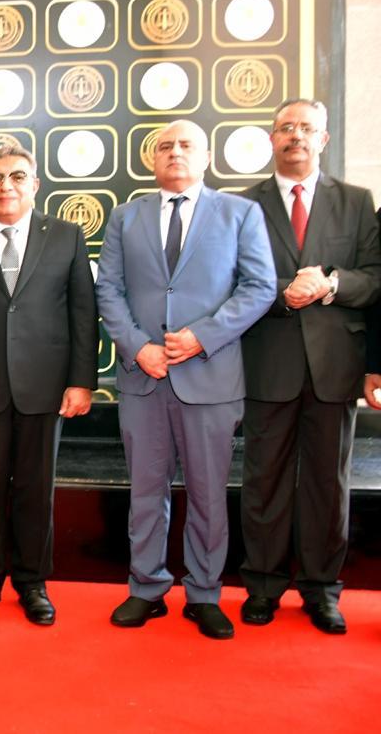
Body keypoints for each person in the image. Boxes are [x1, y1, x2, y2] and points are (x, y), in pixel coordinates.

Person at [96, 119, 275, 639]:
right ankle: (146, 588)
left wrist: (203, 336)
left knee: (208, 494)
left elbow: (260, 287)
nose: (175, 152)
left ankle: (204, 593)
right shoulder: (125, 217)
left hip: (210, 376)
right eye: (165, 146)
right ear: (153, 159)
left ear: (206, 156)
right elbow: (109, 289)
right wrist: (137, 347)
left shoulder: (240, 213)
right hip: (144, 378)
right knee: (146, 492)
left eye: (186, 145)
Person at [0, 145, 97, 625]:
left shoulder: (67, 236)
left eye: (17, 176)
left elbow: (83, 312)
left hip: (45, 385)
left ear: (35, 185)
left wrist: (81, 381)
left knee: (35, 488)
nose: (5, 185)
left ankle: (32, 582)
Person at [238, 99, 381, 634]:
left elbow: (375, 278)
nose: (295, 136)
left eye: (306, 128)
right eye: (286, 128)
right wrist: (285, 292)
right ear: (271, 138)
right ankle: (263, 586)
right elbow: (231, 278)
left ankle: (322, 590)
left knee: (328, 484)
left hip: (334, 367)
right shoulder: (242, 205)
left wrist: (331, 284)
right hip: (267, 362)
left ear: (323, 139)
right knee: (264, 481)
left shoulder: (356, 201)